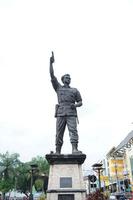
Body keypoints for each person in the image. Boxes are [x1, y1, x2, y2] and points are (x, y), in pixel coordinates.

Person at [49, 52, 83, 154]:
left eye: (69, 78)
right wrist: (50, 63)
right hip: (61, 112)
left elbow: (80, 102)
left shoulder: (74, 90)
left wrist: (75, 105)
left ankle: (74, 149)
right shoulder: (58, 88)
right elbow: (51, 75)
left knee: (73, 131)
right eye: (66, 78)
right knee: (59, 132)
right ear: (63, 79)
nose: (68, 79)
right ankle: (57, 151)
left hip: (71, 112)